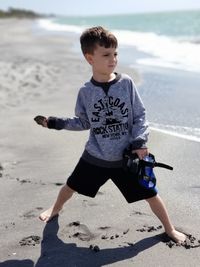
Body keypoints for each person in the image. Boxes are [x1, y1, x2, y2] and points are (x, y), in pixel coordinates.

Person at [34, 26, 186, 244]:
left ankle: (169, 228)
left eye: (115, 54)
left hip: (126, 159)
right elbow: (83, 122)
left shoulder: (126, 84)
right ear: (89, 58)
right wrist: (55, 123)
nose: (113, 59)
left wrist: (140, 141)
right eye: (106, 55)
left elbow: (140, 116)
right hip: (95, 157)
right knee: (70, 186)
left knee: (151, 194)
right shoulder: (86, 91)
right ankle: (55, 209)